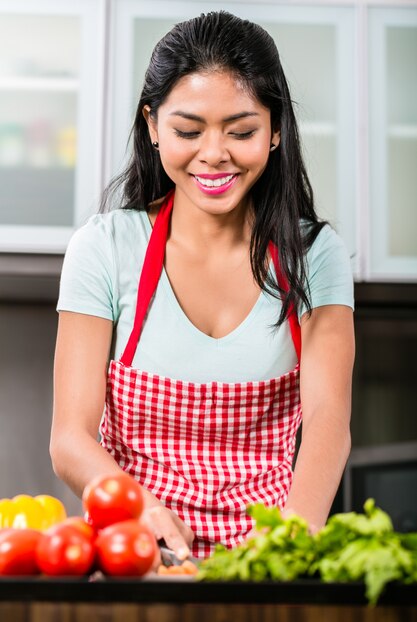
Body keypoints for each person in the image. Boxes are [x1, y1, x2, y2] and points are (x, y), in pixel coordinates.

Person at [51, 11, 355, 560]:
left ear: (276, 129)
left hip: (268, 550)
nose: (214, 154)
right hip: (137, 550)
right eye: (188, 131)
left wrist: (285, 550)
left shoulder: (315, 257)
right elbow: (70, 439)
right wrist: (139, 509)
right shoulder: (104, 249)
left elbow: (328, 425)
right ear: (152, 126)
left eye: (241, 132)